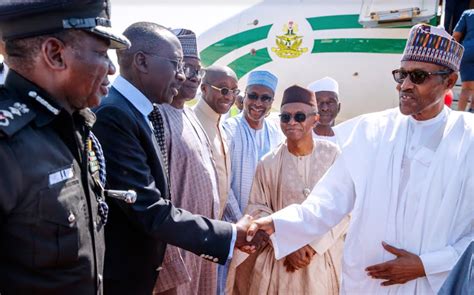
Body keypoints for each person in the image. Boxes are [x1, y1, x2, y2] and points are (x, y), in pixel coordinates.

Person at [247, 24, 473, 294]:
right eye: (401, 75)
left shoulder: (469, 139)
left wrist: (425, 265)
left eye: (419, 76)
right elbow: (328, 201)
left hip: (436, 284)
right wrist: (277, 224)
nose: (406, 85)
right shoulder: (370, 131)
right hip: (370, 284)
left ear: (449, 81)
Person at [92, 22, 265, 295]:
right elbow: (149, 208)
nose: (182, 76)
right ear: (142, 62)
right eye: (176, 64)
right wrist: (230, 234)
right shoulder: (115, 116)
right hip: (129, 278)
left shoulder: (141, 113)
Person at [0, 1, 130, 294]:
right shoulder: (8, 145)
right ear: (55, 54)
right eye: (100, 53)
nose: (111, 68)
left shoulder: (73, 126)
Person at [227, 85, 349, 294]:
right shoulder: (269, 162)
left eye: (300, 116)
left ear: (315, 119)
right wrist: (287, 243)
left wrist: (312, 246)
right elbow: (257, 207)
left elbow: (345, 206)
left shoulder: (333, 156)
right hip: (281, 260)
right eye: (285, 117)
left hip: (321, 258)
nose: (292, 122)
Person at [152, 28, 221, 295]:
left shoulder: (192, 116)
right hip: (176, 255)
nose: (192, 78)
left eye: (198, 70)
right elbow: (158, 204)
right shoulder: (156, 116)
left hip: (202, 249)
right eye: (185, 68)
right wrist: (168, 270)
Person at [219, 70, 283, 292]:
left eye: (265, 98)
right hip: (236, 230)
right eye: (253, 96)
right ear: (243, 98)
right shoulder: (228, 130)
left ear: (272, 102)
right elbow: (224, 184)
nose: (258, 103)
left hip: (267, 235)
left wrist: (267, 228)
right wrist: (244, 229)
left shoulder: (277, 133)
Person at [193, 65, 237, 216]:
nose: (230, 97)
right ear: (204, 89)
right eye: (224, 90)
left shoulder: (220, 126)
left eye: (234, 91)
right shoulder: (191, 124)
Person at [307, 76, 341, 144]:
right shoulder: (300, 139)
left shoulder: (346, 140)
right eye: (318, 102)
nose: (325, 108)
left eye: (330, 102)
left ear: (339, 107)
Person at [454, 9, 474, 112]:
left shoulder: (468, 13)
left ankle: (460, 114)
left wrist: (455, 52)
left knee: (466, 88)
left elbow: (456, 34)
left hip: (468, 50)